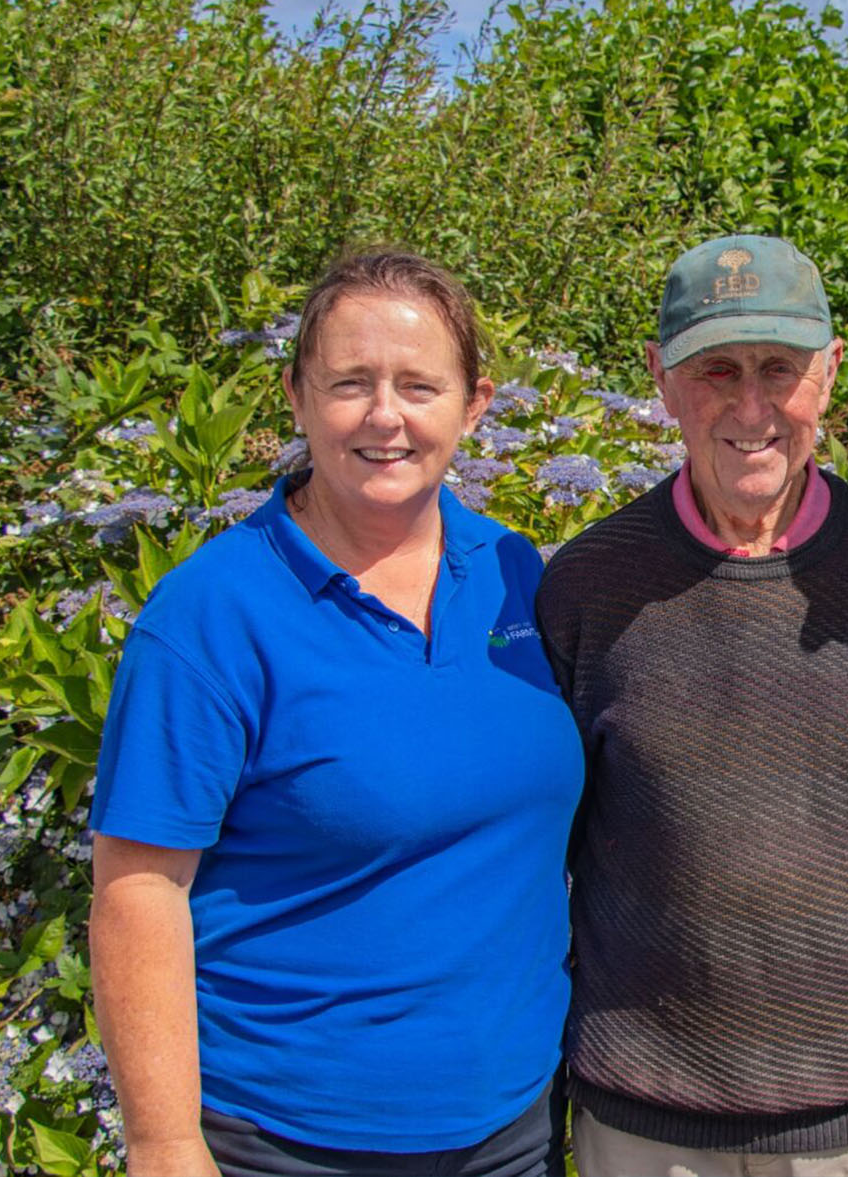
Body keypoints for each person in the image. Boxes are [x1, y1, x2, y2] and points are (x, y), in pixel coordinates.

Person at [88, 252, 584, 1177]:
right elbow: (137, 889)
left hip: (512, 1123)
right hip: (289, 1141)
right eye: (349, 383)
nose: (384, 416)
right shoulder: (210, 618)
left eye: (418, 385)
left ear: (475, 406)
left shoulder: (518, 573)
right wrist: (161, 1142)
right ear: (297, 397)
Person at [536, 234, 848, 1177]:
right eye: (715, 369)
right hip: (643, 1116)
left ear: (831, 373)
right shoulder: (585, 586)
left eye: (781, 368)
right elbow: (565, 826)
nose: (751, 406)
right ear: (659, 378)